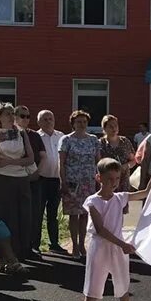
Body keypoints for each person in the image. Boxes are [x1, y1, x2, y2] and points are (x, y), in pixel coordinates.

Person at [70, 161, 151, 301]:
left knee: (122, 284)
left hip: (118, 249)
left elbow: (144, 192)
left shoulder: (120, 197)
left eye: (117, 179)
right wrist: (123, 244)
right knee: (91, 291)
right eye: (109, 179)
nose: (114, 183)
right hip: (100, 248)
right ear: (99, 178)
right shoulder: (92, 201)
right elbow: (101, 229)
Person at [0, 102, 35, 264]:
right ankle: (2, 257)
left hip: (20, 180)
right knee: (3, 217)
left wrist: (8, 161)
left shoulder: (21, 133)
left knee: (22, 217)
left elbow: (30, 159)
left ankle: (19, 254)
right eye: (6, 113)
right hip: (1, 180)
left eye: (11, 113)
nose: (10, 116)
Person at [59, 109, 101, 260]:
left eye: (84, 122)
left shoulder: (93, 140)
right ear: (73, 124)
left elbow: (98, 162)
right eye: (78, 122)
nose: (82, 124)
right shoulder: (66, 140)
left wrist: (100, 180)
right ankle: (74, 244)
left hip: (88, 182)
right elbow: (62, 163)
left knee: (84, 214)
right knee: (73, 214)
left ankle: (83, 244)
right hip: (72, 182)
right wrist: (62, 182)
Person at [15, 105, 46, 259]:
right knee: (17, 215)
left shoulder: (34, 135)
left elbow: (43, 157)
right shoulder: (10, 135)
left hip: (33, 180)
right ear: (14, 117)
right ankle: (17, 247)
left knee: (34, 214)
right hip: (15, 180)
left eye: (28, 116)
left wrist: (36, 173)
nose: (26, 119)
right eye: (22, 116)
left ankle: (32, 246)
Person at [36, 110, 65, 254]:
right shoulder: (36, 137)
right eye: (45, 119)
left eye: (50, 118)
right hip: (41, 179)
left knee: (53, 213)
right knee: (38, 212)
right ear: (39, 122)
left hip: (56, 180)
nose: (48, 121)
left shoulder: (61, 136)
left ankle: (54, 243)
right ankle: (35, 244)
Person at [98, 115, 137, 196]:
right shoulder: (100, 143)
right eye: (110, 126)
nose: (114, 128)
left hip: (123, 180)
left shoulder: (125, 142)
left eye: (115, 125)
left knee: (123, 205)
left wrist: (126, 166)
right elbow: (97, 162)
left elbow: (133, 160)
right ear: (104, 128)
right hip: (107, 180)